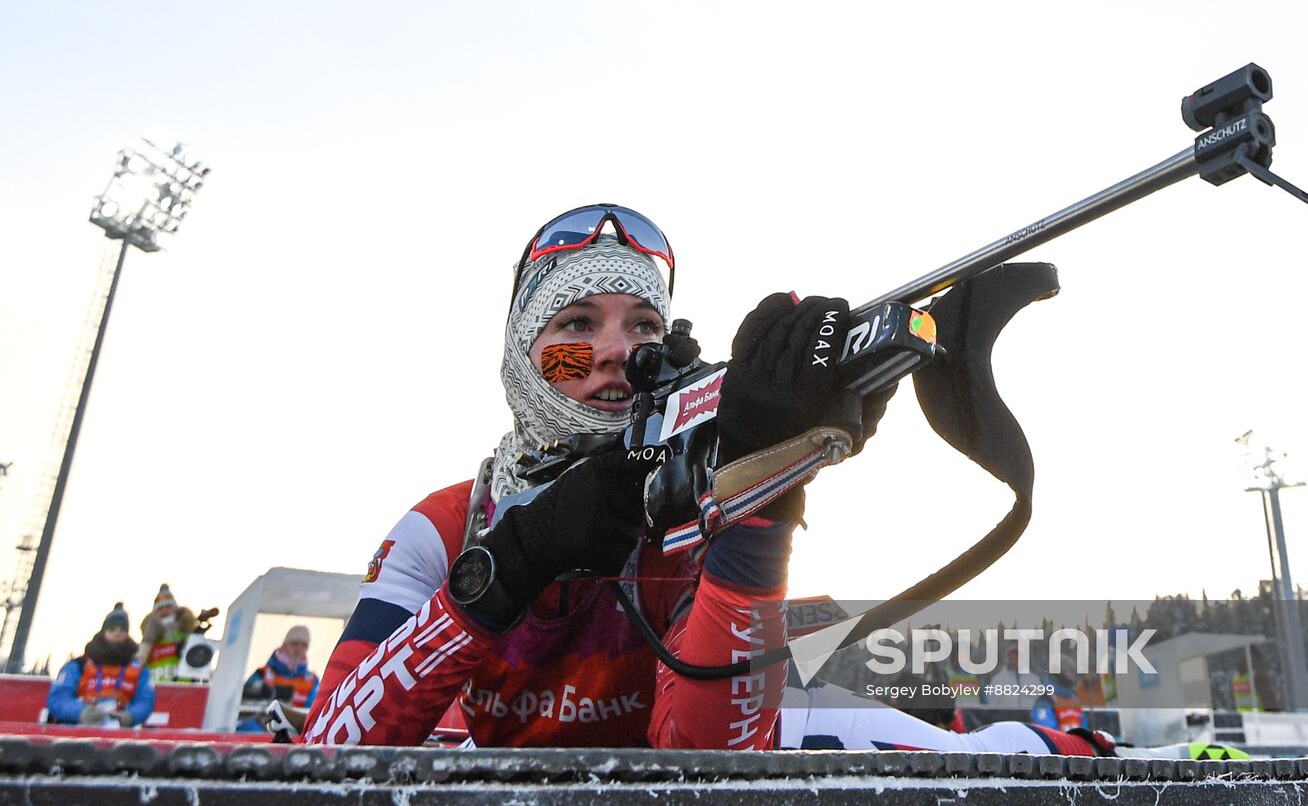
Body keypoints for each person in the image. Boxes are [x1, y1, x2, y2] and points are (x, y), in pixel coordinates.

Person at [301, 204, 1108, 756]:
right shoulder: (446, 527)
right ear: (522, 351)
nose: (617, 350)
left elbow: (711, 760)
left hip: (669, 763)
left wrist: (764, 498)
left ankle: (1069, 750)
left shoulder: (683, 496)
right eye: (577, 326)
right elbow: (327, 751)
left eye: (644, 325)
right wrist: (514, 559)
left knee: (837, 725)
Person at [47, 603, 155, 728]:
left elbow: (145, 700)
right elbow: (59, 697)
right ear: (104, 631)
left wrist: (129, 716)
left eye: (122, 629)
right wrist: (81, 712)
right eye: (112, 628)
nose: (117, 632)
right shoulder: (79, 665)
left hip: (120, 732)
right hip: (78, 728)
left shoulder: (139, 669)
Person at [239, 625, 321, 732]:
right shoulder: (262, 673)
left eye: (304, 645)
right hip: (261, 729)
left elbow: (314, 713)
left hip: (295, 733)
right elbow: (245, 705)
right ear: (285, 645)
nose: (298, 649)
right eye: (294, 644)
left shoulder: (312, 681)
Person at [138, 583, 198, 682]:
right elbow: (139, 662)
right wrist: (148, 638)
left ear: (175, 609)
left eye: (168, 606)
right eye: (160, 609)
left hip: (185, 688)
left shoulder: (186, 635)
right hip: (156, 690)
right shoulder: (148, 641)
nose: (165, 611)